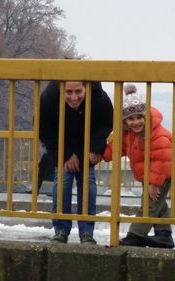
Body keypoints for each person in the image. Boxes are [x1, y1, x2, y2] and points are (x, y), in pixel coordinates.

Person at [102, 84, 175, 248]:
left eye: (140, 117)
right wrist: (101, 154)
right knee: (157, 204)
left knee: (149, 204)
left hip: (163, 173)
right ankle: (164, 235)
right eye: (131, 119)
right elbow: (118, 148)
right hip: (150, 174)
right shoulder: (130, 135)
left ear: (147, 117)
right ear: (125, 121)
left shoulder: (157, 134)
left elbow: (162, 159)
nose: (136, 122)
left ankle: (135, 235)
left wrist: (154, 183)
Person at [39, 80, 113, 245]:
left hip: (87, 149)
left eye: (78, 91)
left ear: (87, 88)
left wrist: (95, 148)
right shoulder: (48, 99)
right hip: (62, 147)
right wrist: (65, 155)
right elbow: (45, 130)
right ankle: (61, 230)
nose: (74, 98)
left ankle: (86, 232)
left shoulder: (99, 98)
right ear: (60, 89)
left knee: (88, 187)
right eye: (69, 92)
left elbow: (106, 124)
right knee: (62, 185)